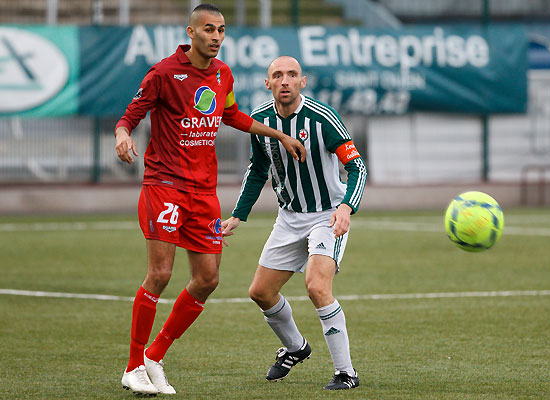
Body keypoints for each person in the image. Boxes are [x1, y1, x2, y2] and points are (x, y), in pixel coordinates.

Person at [114, 5, 305, 396]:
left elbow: (232, 115)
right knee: (161, 275)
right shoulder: (164, 74)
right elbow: (130, 115)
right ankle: (133, 366)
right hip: (165, 185)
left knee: (207, 279)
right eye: (208, 29)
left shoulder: (223, 75)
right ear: (191, 32)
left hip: (204, 193)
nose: (216, 36)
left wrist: (279, 135)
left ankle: (156, 355)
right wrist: (122, 134)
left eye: (221, 30)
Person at [221, 56, 367, 390]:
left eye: (292, 75)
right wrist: (237, 215)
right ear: (267, 83)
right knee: (261, 292)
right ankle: (296, 347)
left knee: (317, 286)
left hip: (326, 215)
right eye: (277, 75)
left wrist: (346, 208)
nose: (284, 80)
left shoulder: (323, 118)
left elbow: (358, 167)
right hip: (288, 218)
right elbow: (258, 170)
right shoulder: (259, 121)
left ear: (303, 81)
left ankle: (346, 372)